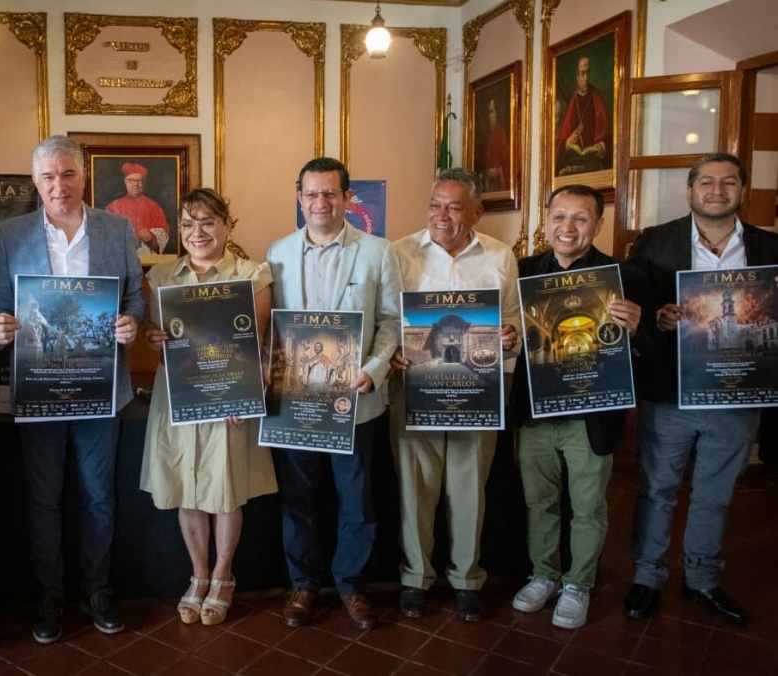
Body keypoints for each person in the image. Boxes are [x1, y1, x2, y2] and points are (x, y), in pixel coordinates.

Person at [0, 135, 146, 643]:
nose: (59, 185)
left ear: (83, 177)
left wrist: (132, 323)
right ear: (36, 181)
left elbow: (136, 296)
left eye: (68, 174)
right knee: (43, 499)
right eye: (49, 176)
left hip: (101, 386)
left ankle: (97, 588)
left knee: (99, 496)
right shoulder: (10, 235)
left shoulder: (117, 228)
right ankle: (49, 595)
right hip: (40, 388)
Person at [621, 153, 778, 624]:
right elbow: (631, 309)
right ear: (690, 191)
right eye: (706, 181)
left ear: (742, 190)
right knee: (657, 489)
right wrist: (658, 316)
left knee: (716, 491)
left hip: (737, 394)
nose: (717, 190)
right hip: (670, 392)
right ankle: (647, 576)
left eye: (728, 182)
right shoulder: (654, 241)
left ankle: (702, 578)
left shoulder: (770, 248)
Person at [266, 157, 402, 631]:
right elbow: (270, 326)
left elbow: (392, 322)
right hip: (296, 401)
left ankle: (351, 585)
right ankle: (303, 585)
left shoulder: (378, 252)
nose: (319, 202)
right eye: (311, 194)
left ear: (346, 198)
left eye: (329, 193)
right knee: (298, 500)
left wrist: (374, 369)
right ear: (299, 198)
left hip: (355, 400)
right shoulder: (277, 253)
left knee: (356, 501)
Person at [140, 188, 277, 626]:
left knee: (225, 487)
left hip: (228, 396)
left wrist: (241, 393)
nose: (197, 232)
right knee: (187, 485)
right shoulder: (161, 277)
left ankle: (223, 576)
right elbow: (156, 335)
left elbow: (253, 342)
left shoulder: (253, 274)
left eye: (207, 222)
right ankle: (198, 574)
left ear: (227, 225)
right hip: (179, 395)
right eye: (187, 224)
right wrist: (153, 337)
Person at [389, 167, 521, 622]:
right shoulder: (399, 253)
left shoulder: (500, 256)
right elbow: (388, 320)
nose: (440, 216)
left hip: (478, 391)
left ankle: (466, 578)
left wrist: (509, 335)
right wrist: (393, 352)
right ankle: (416, 577)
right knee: (415, 487)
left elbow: (513, 320)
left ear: (477, 212)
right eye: (434, 205)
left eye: (453, 207)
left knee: (469, 488)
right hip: (415, 387)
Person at [509, 185, 641, 629]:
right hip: (535, 412)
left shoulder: (619, 276)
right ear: (546, 221)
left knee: (587, 507)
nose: (567, 227)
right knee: (539, 502)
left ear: (598, 224)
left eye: (580, 218)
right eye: (559, 216)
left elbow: (640, 351)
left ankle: (578, 583)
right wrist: (506, 336)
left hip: (592, 416)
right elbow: (511, 337)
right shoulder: (522, 271)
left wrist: (636, 328)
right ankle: (543, 574)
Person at [555, 56, 610, 176]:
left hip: (594, 166)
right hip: (574, 169)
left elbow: (607, 136)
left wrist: (602, 146)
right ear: (577, 75)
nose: (585, 78)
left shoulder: (596, 97)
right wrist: (567, 142)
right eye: (582, 74)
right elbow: (561, 141)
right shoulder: (572, 102)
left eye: (588, 73)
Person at [105, 162, 170, 256]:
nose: (136, 184)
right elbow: (108, 234)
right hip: (122, 257)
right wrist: (134, 236)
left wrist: (151, 236)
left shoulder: (154, 206)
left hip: (149, 258)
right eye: (131, 180)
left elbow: (164, 230)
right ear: (125, 182)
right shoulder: (113, 207)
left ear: (144, 183)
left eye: (139, 181)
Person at [482, 97, 509, 192]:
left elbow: (505, 162)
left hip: (497, 182)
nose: (489, 116)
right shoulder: (485, 135)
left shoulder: (500, 133)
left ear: (496, 113)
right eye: (488, 112)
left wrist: (496, 171)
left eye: (491, 112)